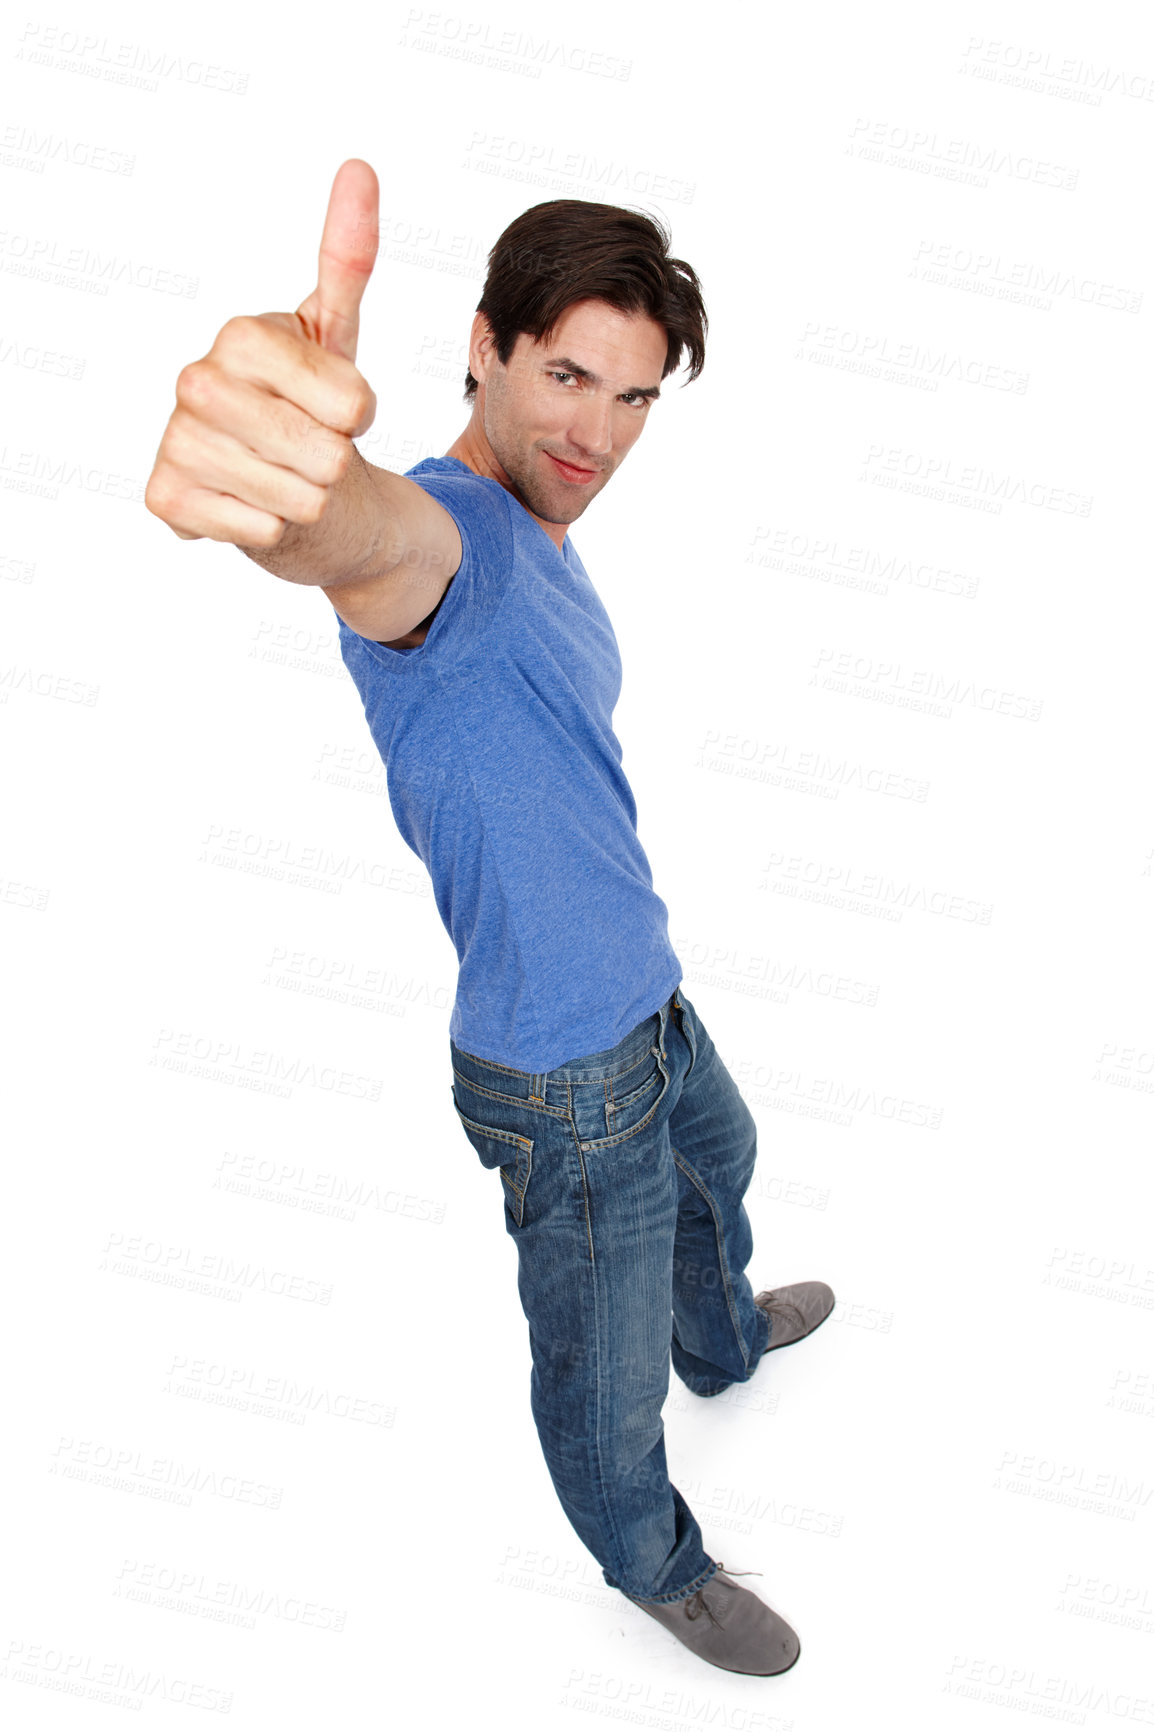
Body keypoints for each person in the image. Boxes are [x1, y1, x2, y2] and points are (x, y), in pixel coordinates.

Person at [145, 158, 834, 1677]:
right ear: (484, 345)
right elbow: (365, 543)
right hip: (560, 1079)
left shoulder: (544, 539)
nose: (596, 430)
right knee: (599, 1383)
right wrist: (298, 500)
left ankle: (718, 1342)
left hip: (646, 998)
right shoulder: (444, 536)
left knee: (725, 1165)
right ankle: (652, 1561)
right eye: (568, 373)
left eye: (635, 397)